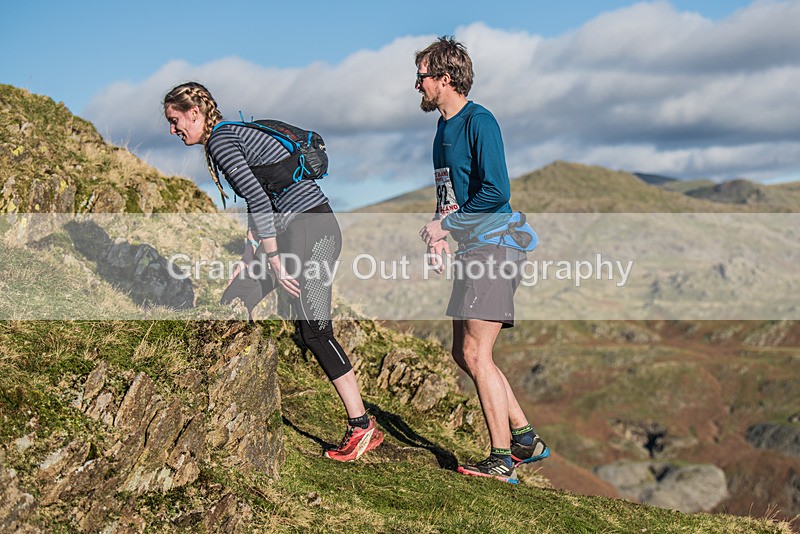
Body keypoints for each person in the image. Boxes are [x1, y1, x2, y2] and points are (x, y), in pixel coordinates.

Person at [163, 82, 383, 462]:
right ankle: (219, 404)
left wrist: (276, 263)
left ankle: (361, 426)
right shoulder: (229, 135)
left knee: (314, 329)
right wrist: (252, 257)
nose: (172, 130)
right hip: (298, 231)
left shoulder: (221, 141)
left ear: (194, 113)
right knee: (236, 298)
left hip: (311, 233)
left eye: (175, 120)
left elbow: (259, 200)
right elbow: (260, 198)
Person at [415, 37, 549, 483]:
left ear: (445, 79)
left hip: (496, 244)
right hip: (472, 248)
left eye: (423, 75)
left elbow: (497, 192)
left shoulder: (480, 122)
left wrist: (447, 229)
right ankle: (524, 437)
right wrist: (440, 236)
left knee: (477, 351)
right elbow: (448, 194)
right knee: (463, 351)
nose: (417, 83)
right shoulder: (441, 129)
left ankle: (501, 459)